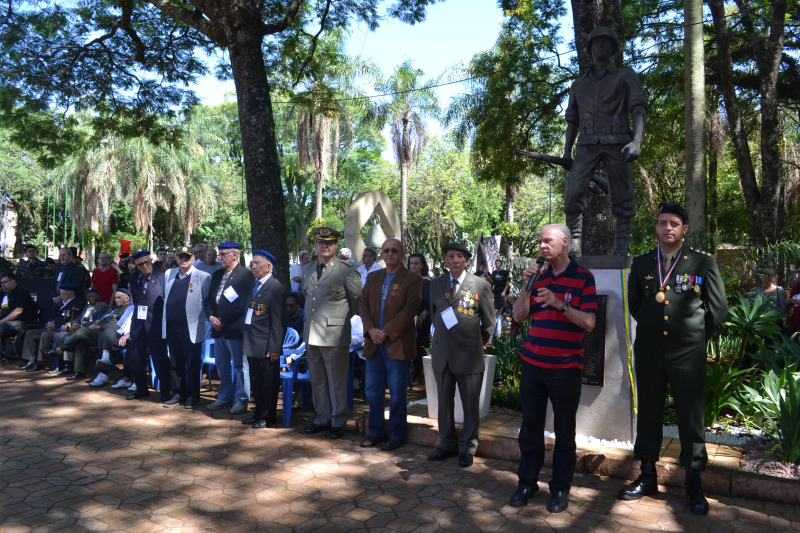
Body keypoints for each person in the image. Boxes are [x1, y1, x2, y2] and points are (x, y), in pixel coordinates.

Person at [619, 202, 728, 515]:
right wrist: (654, 329)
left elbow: (718, 309)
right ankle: (647, 475)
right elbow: (636, 304)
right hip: (649, 350)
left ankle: (693, 482)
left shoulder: (702, 264)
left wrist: (694, 335)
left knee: (690, 417)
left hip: (687, 352)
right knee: (650, 411)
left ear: (684, 229)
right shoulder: (641, 263)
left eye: (674, 223)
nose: (668, 228)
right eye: (662, 222)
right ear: (656, 228)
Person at [508, 224, 598, 513]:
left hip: (564, 368)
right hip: (533, 364)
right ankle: (527, 483)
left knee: (564, 431)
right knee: (530, 429)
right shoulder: (538, 277)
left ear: (565, 242)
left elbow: (589, 322)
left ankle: (560, 489)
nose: (543, 246)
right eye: (540, 242)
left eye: (548, 241)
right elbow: (519, 316)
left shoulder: (584, 278)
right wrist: (526, 286)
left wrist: (560, 304)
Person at [562, 26, 647, 257]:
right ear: (589, 49)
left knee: (623, 193)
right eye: (595, 42)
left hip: (618, 141)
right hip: (586, 143)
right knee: (573, 192)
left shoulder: (626, 75)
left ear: (613, 48)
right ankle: (574, 242)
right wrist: (567, 152)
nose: (600, 45)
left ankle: (621, 244)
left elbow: (638, 108)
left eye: (605, 42)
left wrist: (637, 141)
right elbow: (572, 120)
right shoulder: (578, 84)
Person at [427, 242, 495, 468]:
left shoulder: (480, 284)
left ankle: (468, 447)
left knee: (470, 404)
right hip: (442, 354)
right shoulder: (436, 284)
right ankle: (447, 444)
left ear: (466, 261)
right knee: (443, 404)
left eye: (459, 256)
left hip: (469, 355)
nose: (454, 260)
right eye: (450, 256)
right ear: (445, 261)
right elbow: (436, 315)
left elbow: (489, 323)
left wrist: (475, 344)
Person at [359, 238, 422, 451]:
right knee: (373, 390)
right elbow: (363, 304)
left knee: (397, 392)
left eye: (394, 250)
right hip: (373, 343)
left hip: (396, 343)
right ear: (381, 254)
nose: (390, 253)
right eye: (386, 250)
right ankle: (375, 432)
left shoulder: (412, 279)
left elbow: (410, 309)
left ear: (403, 254)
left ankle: (397, 434)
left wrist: (385, 332)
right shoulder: (374, 276)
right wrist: (371, 330)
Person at [301, 227, 362, 439]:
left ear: (336, 246)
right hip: (311, 333)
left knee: (336, 381)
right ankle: (322, 417)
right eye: (320, 242)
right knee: (317, 380)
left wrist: (340, 320)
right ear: (315, 245)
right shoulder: (307, 268)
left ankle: (338, 420)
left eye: (329, 242)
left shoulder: (347, 270)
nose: (324, 246)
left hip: (334, 335)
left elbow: (356, 301)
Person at [205, 242, 255, 414]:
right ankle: (224, 397)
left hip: (234, 328)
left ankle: (242, 398)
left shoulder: (245, 275)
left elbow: (242, 303)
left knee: (240, 366)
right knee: (221, 364)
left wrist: (222, 319)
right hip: (217, 328)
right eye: (219, 254)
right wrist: (211, 317)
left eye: (223, 254)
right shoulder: (217, 274)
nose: (219, 258)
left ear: (235, 255)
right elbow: (209, 300)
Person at [41, 288, 131, 381]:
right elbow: (101, 319)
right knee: (81, 339)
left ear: (127, 298)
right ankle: (79, 372)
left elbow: (117, 324)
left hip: (109, 335)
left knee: (82, 331)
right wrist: (95, 324)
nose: (116, 300)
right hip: (98, 332)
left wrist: (99, 327)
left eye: (119, 298)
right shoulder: (112, 308)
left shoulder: (127, 309)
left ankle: (60, 350)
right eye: (115, 297)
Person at [161, 246, 211, 408]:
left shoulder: (203, 276)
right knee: (175, 363)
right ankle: (178, 393)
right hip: (171, 327)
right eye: (180, 257)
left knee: (193, 364)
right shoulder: (169, 274)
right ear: (176, 259)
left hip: (192, 328)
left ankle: (193, 395)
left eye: (187, 257)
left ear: (193, 259)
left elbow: (207, 303)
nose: (183, 260)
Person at [241, 250, 287, 428]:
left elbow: (279, 322)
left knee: (269, 384)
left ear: (269, 267)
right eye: (252, 263)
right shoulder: (254, 285)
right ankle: (258, 412)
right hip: (252, 342)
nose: (253, 266)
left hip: (266, 345)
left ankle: (268, 416)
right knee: (257, 383)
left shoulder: (276, 288)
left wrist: (275, 348)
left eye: (257, 263)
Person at [128, 250, 170, 400]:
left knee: (160, 360)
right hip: (138, 324)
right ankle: (141, 389)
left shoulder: (162, 276)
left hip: (156, 324)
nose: (145, 266)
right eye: (141, 264)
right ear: (136, 266)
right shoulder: (134, 278)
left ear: (151, 261)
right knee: (136, 359)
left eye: (147, 262)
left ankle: (165, 392)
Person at [19, 283, 83, 372]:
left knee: (45, 334)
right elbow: (53, 316)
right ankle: (30, 360)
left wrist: (55, 325)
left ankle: (40, 362)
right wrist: (48, 323)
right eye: (60, 294)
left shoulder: (77, 304)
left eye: (63, 294)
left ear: (71, 293)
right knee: (30, 332)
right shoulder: (60, 303)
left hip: (61, 330)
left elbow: (74, 319)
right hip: (52, 328)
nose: (61, 296)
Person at [55, 288, 109, 377]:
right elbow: (78, 319)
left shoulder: (103, 307)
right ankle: (63, 364)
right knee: (58, 335)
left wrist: (80, 326)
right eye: (88, 296)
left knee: (68, 337)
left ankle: (69, 364)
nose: (90, 298)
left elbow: (98, 322)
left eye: (92, 296)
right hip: (79, 330)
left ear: (99, 298)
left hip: (91, 331)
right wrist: (68, 324)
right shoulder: (87, 306)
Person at [89, 293, 134, 388]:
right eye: (132, 296)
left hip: (133, 338)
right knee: (106, 334)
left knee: (106, 343)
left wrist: (127, 335)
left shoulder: (143, 308)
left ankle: (103, 373)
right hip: (120, 336)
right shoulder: (130, 309)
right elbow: (118, 325)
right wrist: (106, 332)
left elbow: (142, 327)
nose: (132, 298)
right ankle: (105, 357)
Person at [408, 252, 432, 384]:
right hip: (408, 317)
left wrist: (421, 317)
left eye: (416, 263)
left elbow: (429, 303)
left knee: (420, 346)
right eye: (411, 263)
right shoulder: (407, 279)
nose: (413, 266)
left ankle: (418, 375)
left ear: (422, 265)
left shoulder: (426, 281)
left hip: (422, 317)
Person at [0, 272, 38, 350]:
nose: (3, 285)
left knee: (2, 325)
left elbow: (18, 311)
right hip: (8, 322)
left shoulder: (21, 292)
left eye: (5, 282)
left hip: (22, 321)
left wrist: (2, 321)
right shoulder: (3, 294)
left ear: (13, 281)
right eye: (1, 283)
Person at [492, 259, 511, 333]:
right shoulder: (494, 273)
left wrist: (504, 291)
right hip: (496, 292)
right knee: (497, 308)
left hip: (503, 293)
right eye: (496, 263)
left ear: (501, 264)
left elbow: (507, 282)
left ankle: (505, 325)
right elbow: (492, 283)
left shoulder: (505, 272)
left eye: (498, 263)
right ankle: (497, 324)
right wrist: (491, 291)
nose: (497, 265)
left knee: (504, 308)